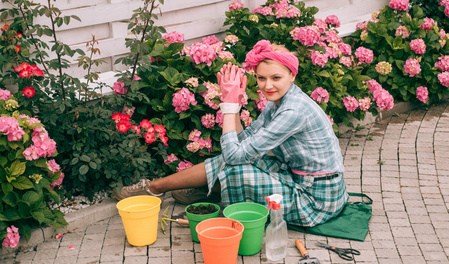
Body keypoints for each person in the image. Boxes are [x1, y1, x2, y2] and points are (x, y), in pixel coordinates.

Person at [114, 39, 348, 227]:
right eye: (261, 78)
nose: (268, 86)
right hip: (296, 178)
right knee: (239, 159)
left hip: (316, 199)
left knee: (237, 169)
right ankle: (155, 188)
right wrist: (234, 102)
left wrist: (227, 105)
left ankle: (196, 190)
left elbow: (235, 157)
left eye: (276, 78)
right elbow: (242, 142)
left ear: (292, 76)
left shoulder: (293, 111)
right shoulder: (278, 102)